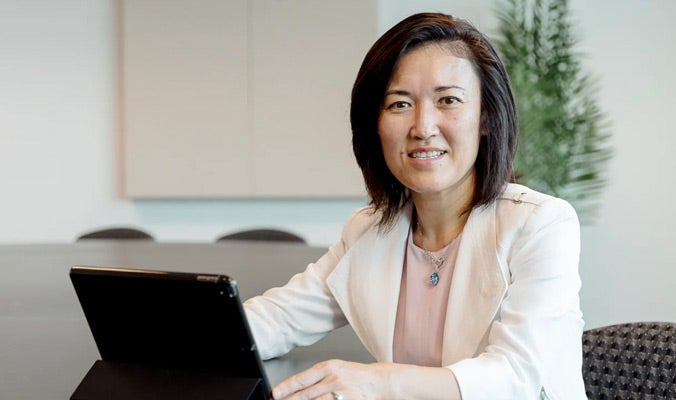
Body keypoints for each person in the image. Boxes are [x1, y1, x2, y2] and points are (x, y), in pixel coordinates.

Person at [244, 12, 587, 400]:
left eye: (448, 100)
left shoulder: (540, 224)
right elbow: (276, 320)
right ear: (374, 123)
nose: (423, 127)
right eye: (399, 104)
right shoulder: (369, 231)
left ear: (485, 117)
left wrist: (376, 382)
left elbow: (515, 377)